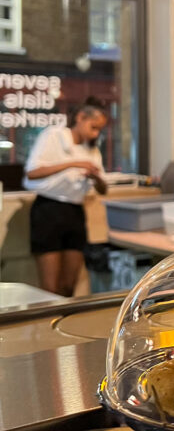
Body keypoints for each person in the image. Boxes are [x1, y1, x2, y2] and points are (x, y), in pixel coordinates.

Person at [25, 97, 108, 296]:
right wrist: (74, 163)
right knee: (50, 289)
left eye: (99, 130)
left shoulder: (93, 149)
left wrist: (95, 176)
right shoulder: (53, 135)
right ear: (80, 117)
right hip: (48, 211)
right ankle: (45, 327)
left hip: (75, 212)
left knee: (68, 287)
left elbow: (103, 189)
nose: (95, 133)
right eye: (93, 127)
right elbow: (32, 172)